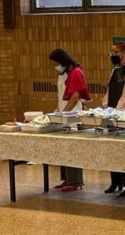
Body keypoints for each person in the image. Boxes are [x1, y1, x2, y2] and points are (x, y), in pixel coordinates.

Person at [49, 49, 91, 192]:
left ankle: (75, 180)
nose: (55, 66)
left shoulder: (76, 72)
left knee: (72, 149)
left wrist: (65, 113)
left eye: (56, 63)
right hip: (64, 116)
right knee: (64, 148)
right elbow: (62, 95)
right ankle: (66, 178)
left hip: (72, 118)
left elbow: (75, 97)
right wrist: (58, 110)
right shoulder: (64, 73)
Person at [102, 41, 125, 197]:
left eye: (115, 52)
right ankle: (115, 181)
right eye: (111, 52)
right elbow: (110, 90)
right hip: (112, 113)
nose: (113, 55)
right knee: (112, 150)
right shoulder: (115, 69)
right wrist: (105, 107)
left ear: (124, 52)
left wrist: (118, 113)